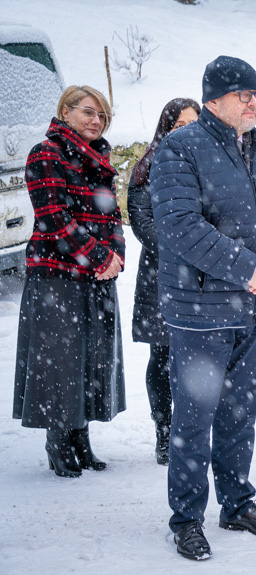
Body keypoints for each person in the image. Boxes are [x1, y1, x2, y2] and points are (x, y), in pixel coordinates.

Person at [150, 56, 256, 560]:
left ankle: (237, 502)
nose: (253, 102)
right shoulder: (180, 148)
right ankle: (187, 518)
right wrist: (247, 267)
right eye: (243, 94)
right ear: (213, 98)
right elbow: (180, 226)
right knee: (194, 419)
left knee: (241, 413)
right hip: (200, 309)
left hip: (255, 308)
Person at [13, 85, 125, 479]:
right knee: (60, 361)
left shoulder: (101, 159)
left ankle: (81, 436)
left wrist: (117, 256)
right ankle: (57, 440)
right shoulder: (46, 154)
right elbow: (54, 217)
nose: (96, 121)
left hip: (95, 275)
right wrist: (99, 256)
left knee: (91, 357)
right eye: (88, 113)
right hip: (56, 275)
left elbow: (113, 216)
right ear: (65, 111)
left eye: (102, 117)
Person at [128, 97, 200, 466]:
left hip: (202, 276)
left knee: (195, 358)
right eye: (178, 125)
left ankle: (190, 432)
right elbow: (142, 222)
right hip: (160, 274)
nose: (186, 131)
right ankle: (163, 430)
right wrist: (187, 245)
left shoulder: (210, 165)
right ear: (165, 129)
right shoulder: (146, 169)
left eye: (193, 123)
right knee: (162, 355)